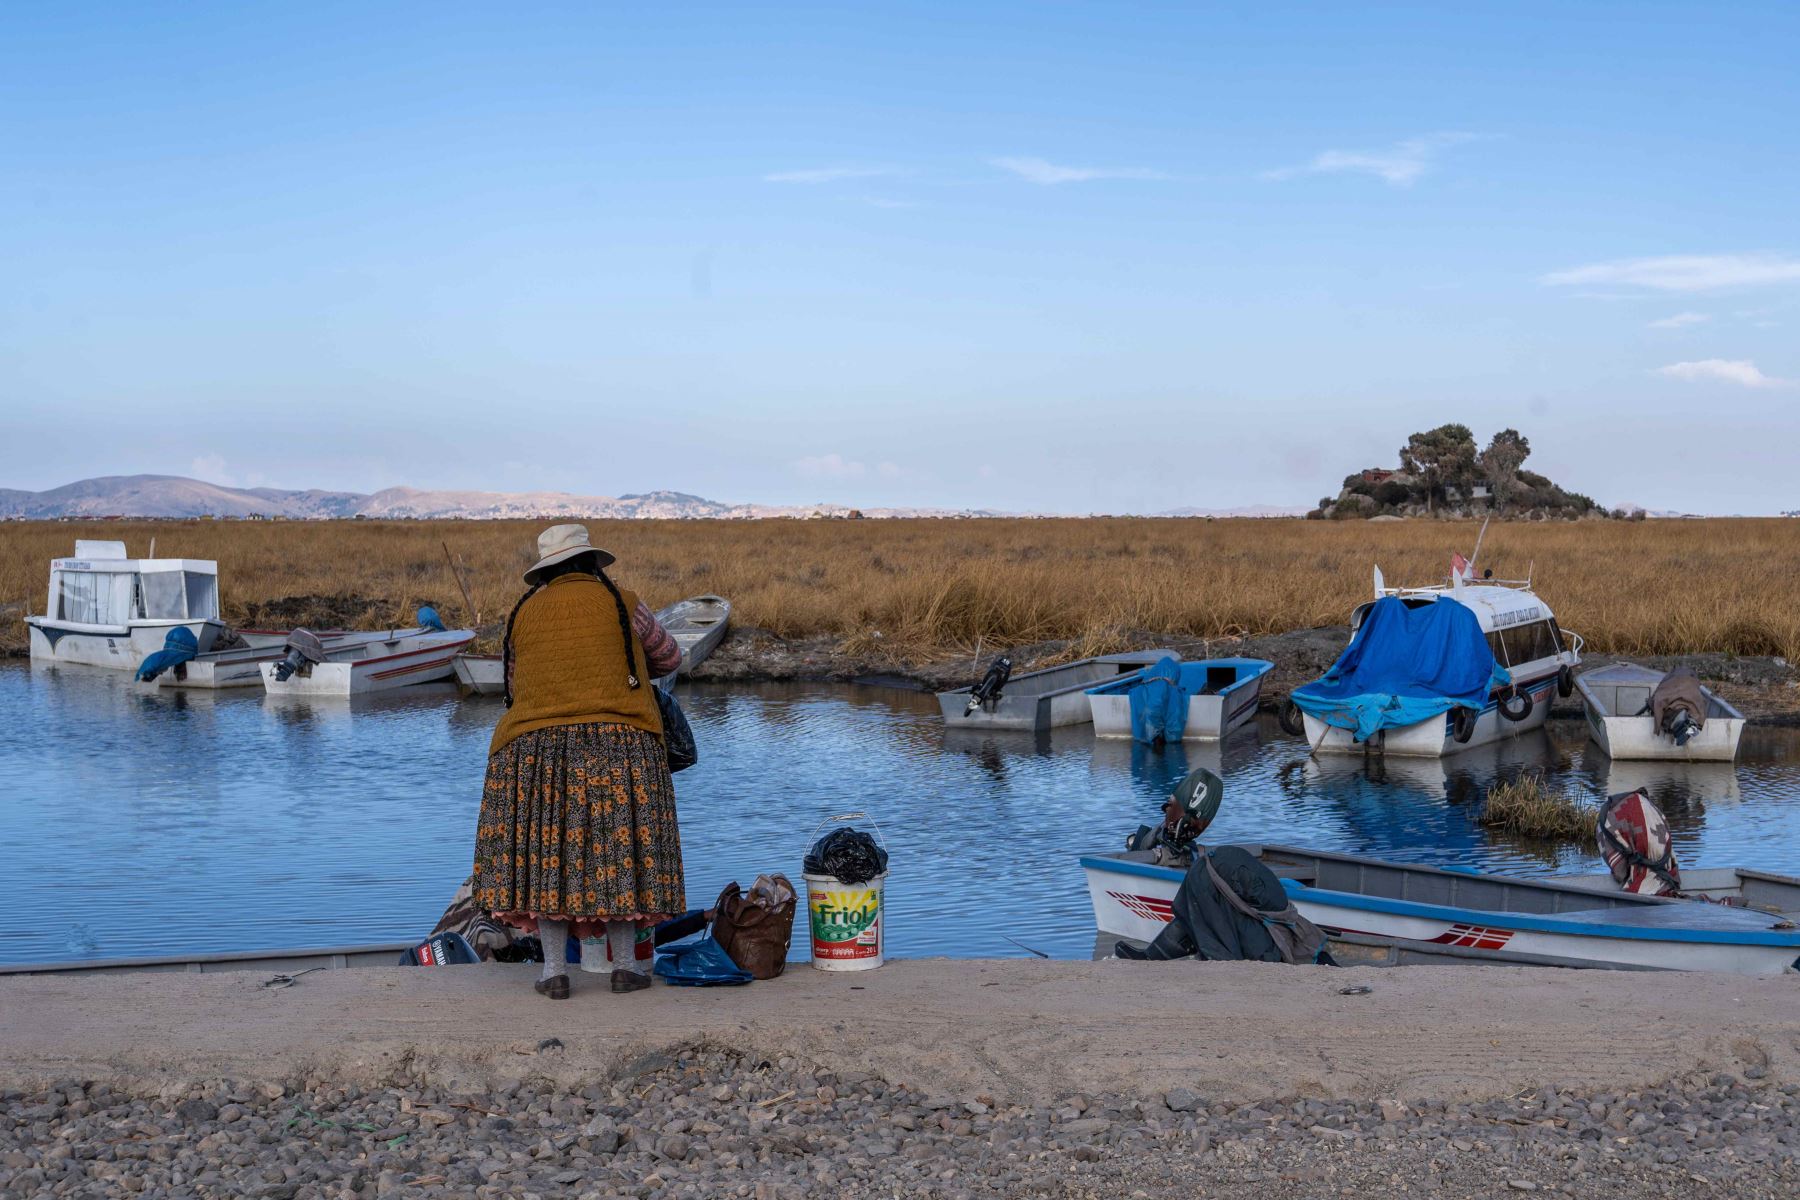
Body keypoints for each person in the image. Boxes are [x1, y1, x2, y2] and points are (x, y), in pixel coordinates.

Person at [472, 524, 685, 998]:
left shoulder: (523, 612)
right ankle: (627, 969)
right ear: (592, 562)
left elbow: (512, 682)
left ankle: (553, 973)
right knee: (620, 852)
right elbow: (669, 657)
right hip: (620, 743)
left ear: (546, 571)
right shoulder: (622, 602)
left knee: (551, 855)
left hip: (535, 749)